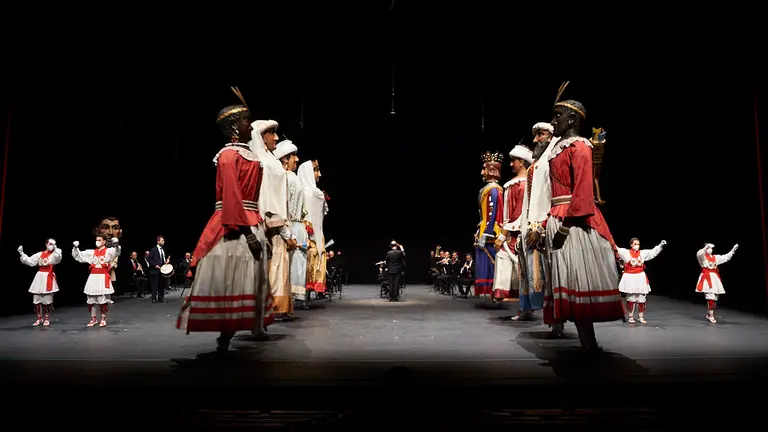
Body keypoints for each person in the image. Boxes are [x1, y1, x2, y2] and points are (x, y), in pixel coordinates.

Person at [177, 96, 273, 352]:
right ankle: (224, 336)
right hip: (234, 226)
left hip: (251, 221)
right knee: (230, 280)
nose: (249, 125)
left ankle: (239, 330)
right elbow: (231, 196)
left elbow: (252, 198)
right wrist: (246, 232)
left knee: (246, 280)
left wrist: (260, 229)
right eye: (244, 120)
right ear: (232, 126)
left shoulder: (249, 155)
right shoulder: (228, 156)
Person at [544, 89, 624, 355]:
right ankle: (586, 343)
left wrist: (566, 226)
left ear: (573, 119)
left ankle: (589, 343)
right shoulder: (558, 148)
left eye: (558, 116)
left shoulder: (579, 147)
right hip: (558, 217)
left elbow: (582, 190)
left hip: (573, 221)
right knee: (569, 278)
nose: (554, 121)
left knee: (579, 279)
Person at [511, 123, 559, 328]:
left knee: (552, 276)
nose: (535, 139)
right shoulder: (535, 167)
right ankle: (543, 317)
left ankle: (558, 321)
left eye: (540, 134)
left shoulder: (553, 161)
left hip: (548, 225)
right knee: (531, 276)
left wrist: (543, 225)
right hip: (530, 228)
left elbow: (556, 197)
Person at [250, 120, 297, 318]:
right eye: (271, 133)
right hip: (269, 230)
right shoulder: (267, 164)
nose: (276, 137)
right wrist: (287, 235)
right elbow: (271, 206)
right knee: (268, 274)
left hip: (266, 228)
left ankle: (261, 318)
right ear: (261, 137)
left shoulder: (267, 161)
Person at [274, 139, 310, 308]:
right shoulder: (283, 179)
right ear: (284, 160)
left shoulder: (292, 178)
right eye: (293, 156)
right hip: (288, 225)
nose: (297, 159)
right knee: (288, 266)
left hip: (296, 225)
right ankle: (286, 301)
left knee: (296, 265)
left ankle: (291, 301)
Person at [493, 144, 532, 301]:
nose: (511, 164)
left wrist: (503, 235)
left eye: (513, 161)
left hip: (518, 232)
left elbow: (517, 212)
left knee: (511, 261)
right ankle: (522, 304)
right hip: (515, 230)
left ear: (521, 162)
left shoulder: (520, 184)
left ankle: (507, 294)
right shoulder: (519, 183)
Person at [72, 234, 120, 327]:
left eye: (99, 240)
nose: (97, 241)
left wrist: (116, 244)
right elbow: (79, 256)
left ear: (104, 241)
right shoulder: (91, 252)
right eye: (96, 239)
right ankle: (93, 319)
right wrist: (75, 247)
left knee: (102, 299)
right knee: (91, 299)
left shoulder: (109, 251)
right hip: (93, 277)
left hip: (102, 276)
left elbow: (117, 252)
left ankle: (103, 319)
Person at [474, 151, 505, 297]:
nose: (482, 172)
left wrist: (486, 234)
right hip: (485, 229)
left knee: (492, 263)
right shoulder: (488, 189)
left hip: (491, 231)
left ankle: (495, 290)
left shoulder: (493, 189)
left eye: (484, 168)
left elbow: (493, 213)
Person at [617, 238, 666, 324]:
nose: (637, 246)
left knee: (641, 297)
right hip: (630, 277)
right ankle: (631, 317)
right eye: (635, 244)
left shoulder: (642, 253)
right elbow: (616, 249)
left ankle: (641, 317)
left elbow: (652, 252)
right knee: (631, 297)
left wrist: (660, 246)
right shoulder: (626, 253)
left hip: (640, 276)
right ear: (631, 244)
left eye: (638, 244)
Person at [298, 160, 328, 295]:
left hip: (309, 231)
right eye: (316, 170)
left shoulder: (312, 192)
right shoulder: (314, 193)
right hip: (309, 232)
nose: (319, 174)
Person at [18, 238, 62, 326]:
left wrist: (56, 248)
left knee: (47, 299)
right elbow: (30, 261)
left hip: (48, 276)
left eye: (53, 244)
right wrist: (22, 253)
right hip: (39, 277)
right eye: (50, 244)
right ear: (46, 244)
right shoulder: (40, 254)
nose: (51, 246)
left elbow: (57, 258)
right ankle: (39, 318)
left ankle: (47, 318)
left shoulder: (54, 254)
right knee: (37, 299)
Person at [696, 243, 738, 323]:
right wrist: (705, 248)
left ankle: (709, 314)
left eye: (710, 248)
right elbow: (699, 254)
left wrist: (733, 250)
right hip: (707, 278)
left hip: (715, 278)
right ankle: (711, 315)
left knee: (715, 297)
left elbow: (725, 257)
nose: (709, 249)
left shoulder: (715, 257)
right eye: (708, 248)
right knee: (710, 296)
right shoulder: (703, 257)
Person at [147, 235, 170, 303]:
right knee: (155, 285)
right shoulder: (153, 249)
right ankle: (153, 298)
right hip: (154, 270)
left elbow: (163, 259)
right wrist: (155, 265)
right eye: (162, 241)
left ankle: (161, 298)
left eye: (163, 241)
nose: (163, 242)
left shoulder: (164, 250)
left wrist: (166, 261)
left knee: (161, 284)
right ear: (158, 241)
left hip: (161, 270)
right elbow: (148, 258)